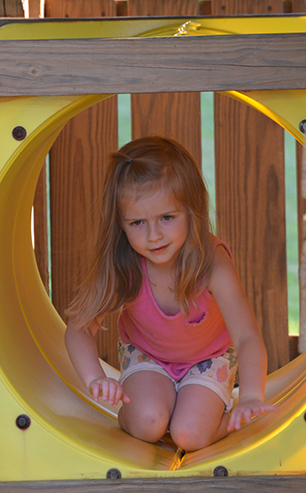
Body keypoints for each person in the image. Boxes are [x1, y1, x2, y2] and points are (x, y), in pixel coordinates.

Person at [65, 136, 276, 452]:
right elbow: (79, 328)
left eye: (167, 217)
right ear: (121, 224)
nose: (153, 236)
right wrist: (96, 379)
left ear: (192, 210)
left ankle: (218, 415)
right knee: (149, 423)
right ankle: (142, 412)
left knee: (189, 435)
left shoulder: (212, 262)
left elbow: (246, 337)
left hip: (208, 359)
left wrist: (249, 396)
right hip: (146, 356)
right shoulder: (127, 263)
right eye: (137, 222)